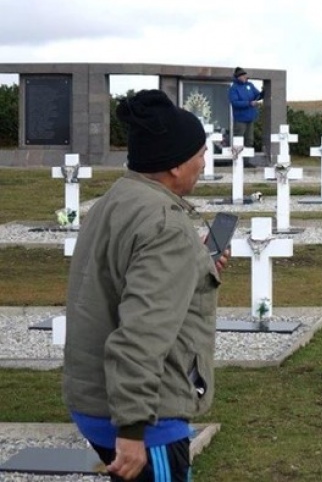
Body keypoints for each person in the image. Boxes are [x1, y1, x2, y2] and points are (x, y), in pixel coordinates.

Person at [63, 89, 228, 481]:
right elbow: (142, 332)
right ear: (175, 165)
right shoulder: (166, 226)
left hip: (93, 397)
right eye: (200, 153)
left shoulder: (115, 200)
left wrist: (196, 261)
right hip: (147, 417)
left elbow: (121, 280)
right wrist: (133, 429)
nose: (204, 163)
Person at [228, 66, 263, 166]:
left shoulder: (250, 85)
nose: (245, 77)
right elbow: (235, 103)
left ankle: (247, 162)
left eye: (245, 75)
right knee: (238, 140)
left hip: (250, 118)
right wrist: (249, 103)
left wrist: (262, 93)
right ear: (238, 77)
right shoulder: (233, 88)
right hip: (240, 119)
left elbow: (257, 95)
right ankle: (236, 161)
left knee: (249, 140)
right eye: (243, 76)